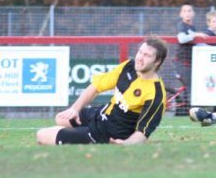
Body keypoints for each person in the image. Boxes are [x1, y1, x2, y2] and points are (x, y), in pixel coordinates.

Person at [36, 36, 168, 145]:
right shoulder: (129, 66)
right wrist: (75, 109)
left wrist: (125, 143)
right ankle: (77, 133)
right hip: (101, 114)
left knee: (41, 135)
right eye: (140, 52)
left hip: (107, 132)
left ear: (157, 62)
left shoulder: (156, 94)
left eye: (147, 55)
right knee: (60, 118)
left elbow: (143, 133)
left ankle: (83, 136)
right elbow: (96, 86)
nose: (140, 57)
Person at [173, 3, 208, 115]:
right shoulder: (181, 25)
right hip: (182, 62)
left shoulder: (192, 27)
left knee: (190, 87)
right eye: (184, 11)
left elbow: (195, 43)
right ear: (181, 14)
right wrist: (196, 34)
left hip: (190, 62)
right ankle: (192, 113)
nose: (187, 13)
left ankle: (183, 111)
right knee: (191, 88)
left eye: (189, 11)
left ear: (193, 13)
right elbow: (182, 39)